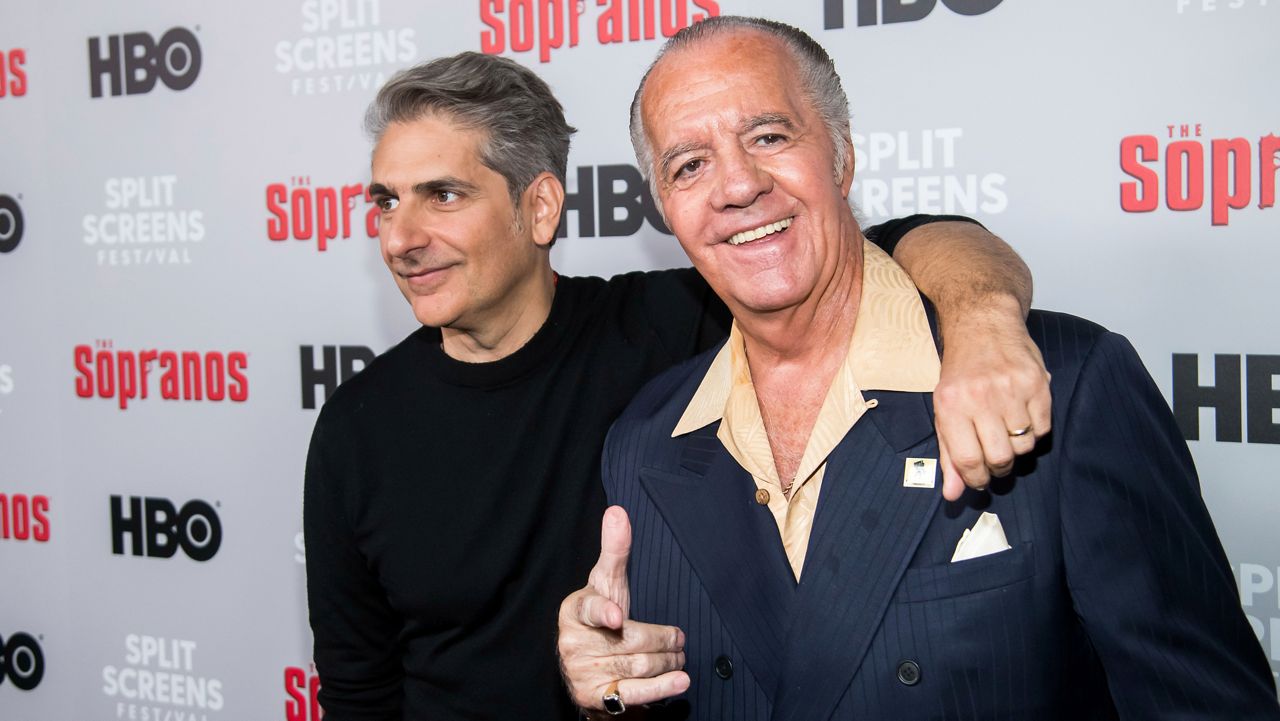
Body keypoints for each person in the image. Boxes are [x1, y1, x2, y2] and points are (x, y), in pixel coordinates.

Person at [557, 16, 1279, 720]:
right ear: (667, 209)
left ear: (842, 157)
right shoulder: (645, 440)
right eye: (690, 164)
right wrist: (611, 691)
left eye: (769, 136)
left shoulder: (1069, 382)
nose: (738, 185)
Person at [304, 50, 1050, 721]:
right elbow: (359, 691)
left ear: (539, 207)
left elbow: (890, 246)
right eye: (386, 201)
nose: (400, 238)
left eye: (442, 195)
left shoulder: (681, 326)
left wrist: (982, 318)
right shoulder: (355, 427)